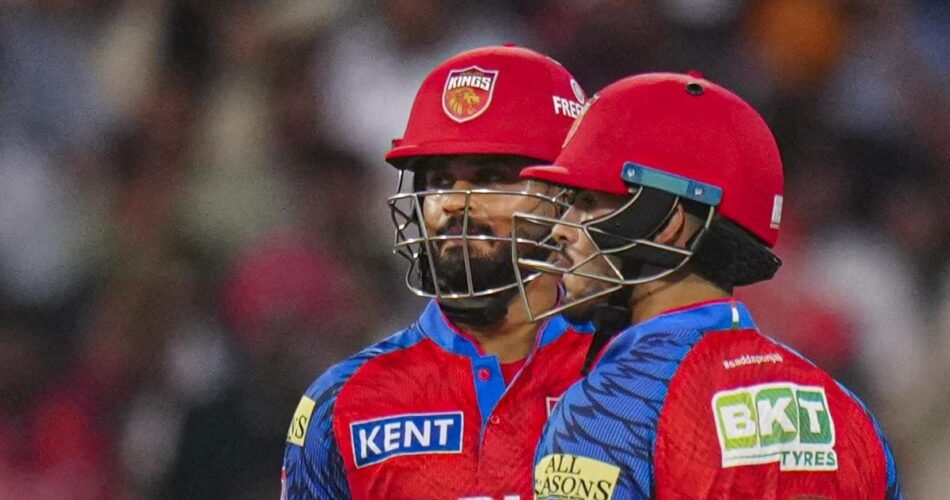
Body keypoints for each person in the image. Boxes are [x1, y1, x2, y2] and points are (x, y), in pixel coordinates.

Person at [512, 72, 902, 498]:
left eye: (587, 203)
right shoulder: (847, 412)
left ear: (667, 225)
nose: (561, 230)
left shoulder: (607, 410)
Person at [281, 45, 593, 500]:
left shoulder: (632, 379)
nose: (454, 203)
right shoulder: (342, 402)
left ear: (564, 195)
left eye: (491, 176)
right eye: (440, 181)